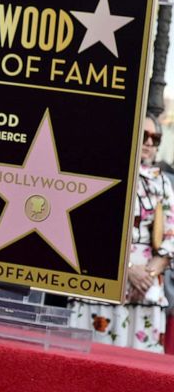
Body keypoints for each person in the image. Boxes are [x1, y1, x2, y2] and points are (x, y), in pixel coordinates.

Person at [70, 114, 174, 353]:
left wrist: (145, 275)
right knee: (92, 364)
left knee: (139, 373)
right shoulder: (105, 173)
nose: (149, 142)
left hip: (146, 290)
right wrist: (127, 270)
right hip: (103, 283)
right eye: (144, 136)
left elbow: (171, 236)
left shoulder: (163, 183)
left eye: (155, 138)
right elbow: (89, 233)